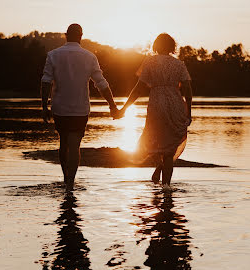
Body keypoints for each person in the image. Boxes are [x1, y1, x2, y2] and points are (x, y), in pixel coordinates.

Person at [41, 23, 118, 192]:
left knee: (63, 143)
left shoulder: (53, 55)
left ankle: (65, 178)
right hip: (80, 108)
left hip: (59, 107)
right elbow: (101, 83)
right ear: (81, 36)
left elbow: (46, 81)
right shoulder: (90, 57)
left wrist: (44, 106)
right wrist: (112, 106)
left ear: (65, 35)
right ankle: (70, 184)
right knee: (74, 145)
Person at [117, 33, 193, 192]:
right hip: (175, 103)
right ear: (172, 46)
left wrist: (124, 108)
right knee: (170, 145)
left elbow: (139, 88)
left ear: (156, 46)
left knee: (152, 138)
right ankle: (166, 186)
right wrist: (189, 111)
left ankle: (160, 168)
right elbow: (187, 89)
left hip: (157, 103)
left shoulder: (150, 62)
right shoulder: (179, 64)